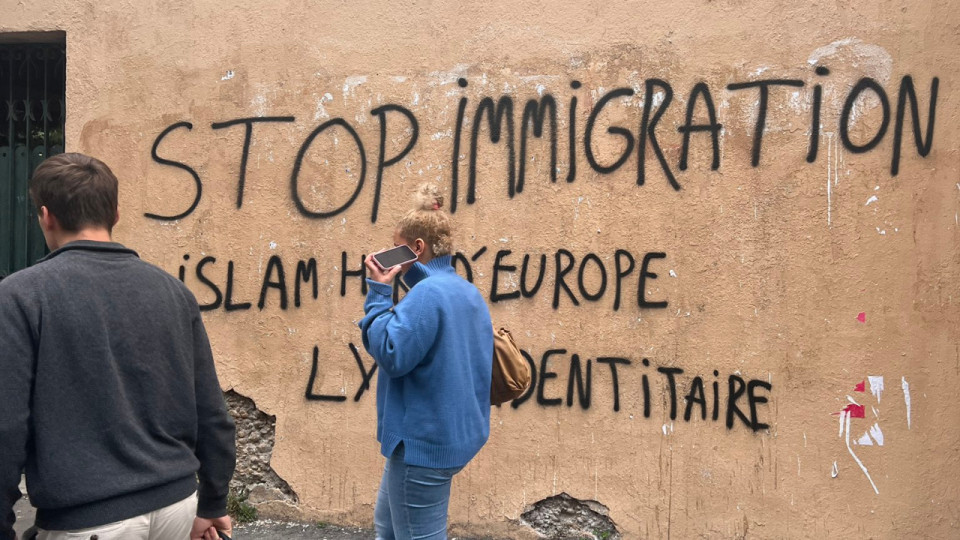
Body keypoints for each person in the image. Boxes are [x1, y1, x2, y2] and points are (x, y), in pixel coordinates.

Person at [0, 153, 236, 540]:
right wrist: (212, 502)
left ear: (46, 216)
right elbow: (212, 411)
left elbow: (6, 427)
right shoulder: (173, 292)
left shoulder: (21, 296)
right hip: (177, 506)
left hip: (89, 519)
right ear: (116, 213)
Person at [359, 184, 493, 540]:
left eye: (396, 245)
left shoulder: (428, 295)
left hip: (422, 443)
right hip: (449, 436)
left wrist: (378, 293)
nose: (389, 254)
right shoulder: (465, 290)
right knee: (387, 527)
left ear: (417, 247)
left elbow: (391, 354)